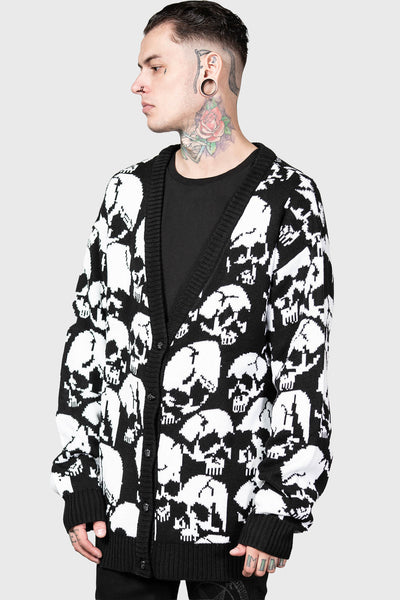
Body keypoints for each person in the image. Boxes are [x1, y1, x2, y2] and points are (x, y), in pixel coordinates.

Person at [49, 2, 335, 599]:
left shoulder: (288, 200)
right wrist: (79, 479)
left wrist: (279, 506)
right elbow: (88, 342)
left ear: (209, 70)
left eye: (155, 67)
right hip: (121, 529)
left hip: (233, 540)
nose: (137, 84)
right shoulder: (126, 194)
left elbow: (301, 367)